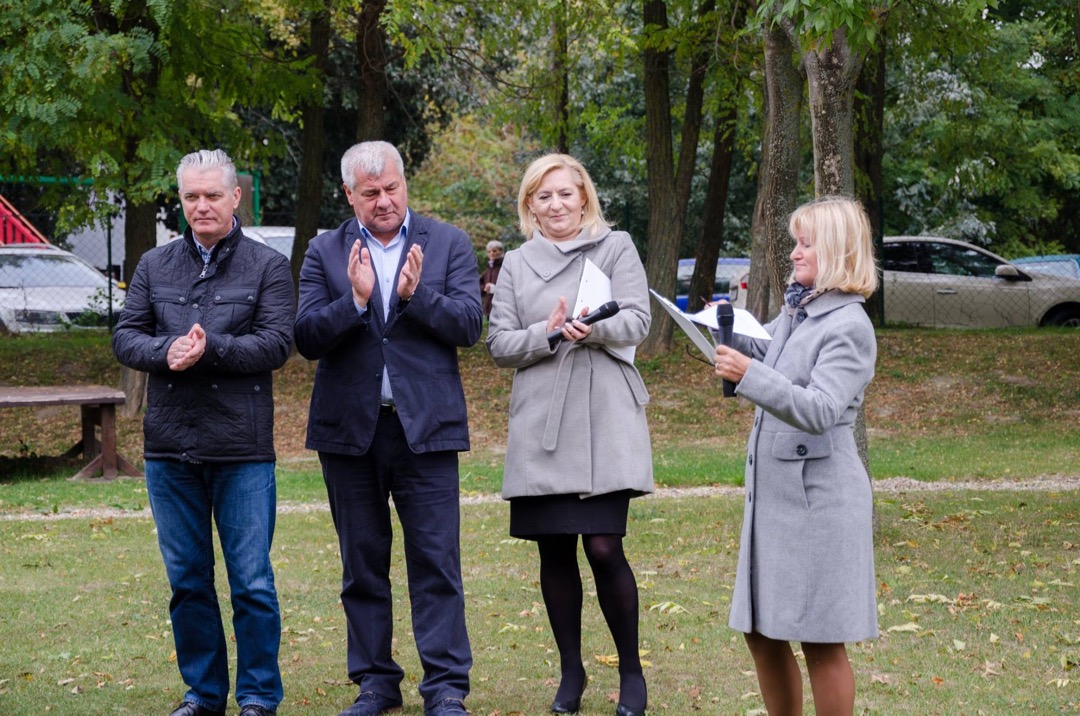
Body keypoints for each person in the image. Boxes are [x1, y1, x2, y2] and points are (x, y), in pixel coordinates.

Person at [294, 141, 481, 716]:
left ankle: (445, 687)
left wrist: (416, 296)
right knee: (362, 564)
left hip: (427, 429)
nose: (384, 201)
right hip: (350, 432)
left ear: (405, 184)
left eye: (392, 188)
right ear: (348, 194)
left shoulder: (447, 243)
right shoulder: (324, 251)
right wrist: (354, 301)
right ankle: (375, 683)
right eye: (370, 192)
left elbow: (469, 325)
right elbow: (306, 337)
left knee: (437, 562)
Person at [112, 149, 295, 716]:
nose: (201, 206)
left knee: (251, 583)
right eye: (191, 196)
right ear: (181, 200)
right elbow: (126, 336)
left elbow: (276, 344)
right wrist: (165, 350)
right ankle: (204, 694)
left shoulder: (268, 267)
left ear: (235, 197)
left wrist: (211, 347)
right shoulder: (154, 264)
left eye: (212, 195)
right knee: (188, 581)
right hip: (170, 448)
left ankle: (258, 696)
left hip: (242, 449)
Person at [486, 154, 654, 716]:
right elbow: (499, 344)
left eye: (565, 193)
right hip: (543, 424)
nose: (556, 204)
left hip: (605, 418)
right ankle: (571, 672)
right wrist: (549, 331)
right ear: (529, 206)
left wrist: (593, 327)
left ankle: (631, 672)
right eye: (543, 196)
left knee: (605, 547)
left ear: (584, 197)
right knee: (555, 550)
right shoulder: (515, 264)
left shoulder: (616, 246)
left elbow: (638, 320)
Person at [712, 195, 879, 716]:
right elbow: (775, 362)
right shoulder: (798, 310)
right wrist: (724, 336)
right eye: (795, 243)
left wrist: (749, 375)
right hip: (777, 501)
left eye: (806, 244)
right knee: (761, 632)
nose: (794, 253)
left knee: (821, 641)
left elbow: (822, 408)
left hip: (820, 503)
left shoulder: (849, 325)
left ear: (836, 251)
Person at [479, 239, 504, 317]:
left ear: (501, 251)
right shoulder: (488, 270)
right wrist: (485, 288)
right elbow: (478, 286)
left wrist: (494, 288)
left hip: (503, 307)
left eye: (494, 251)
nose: (491, 253)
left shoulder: (505, 267)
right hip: (489, 307)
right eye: (489, 251)